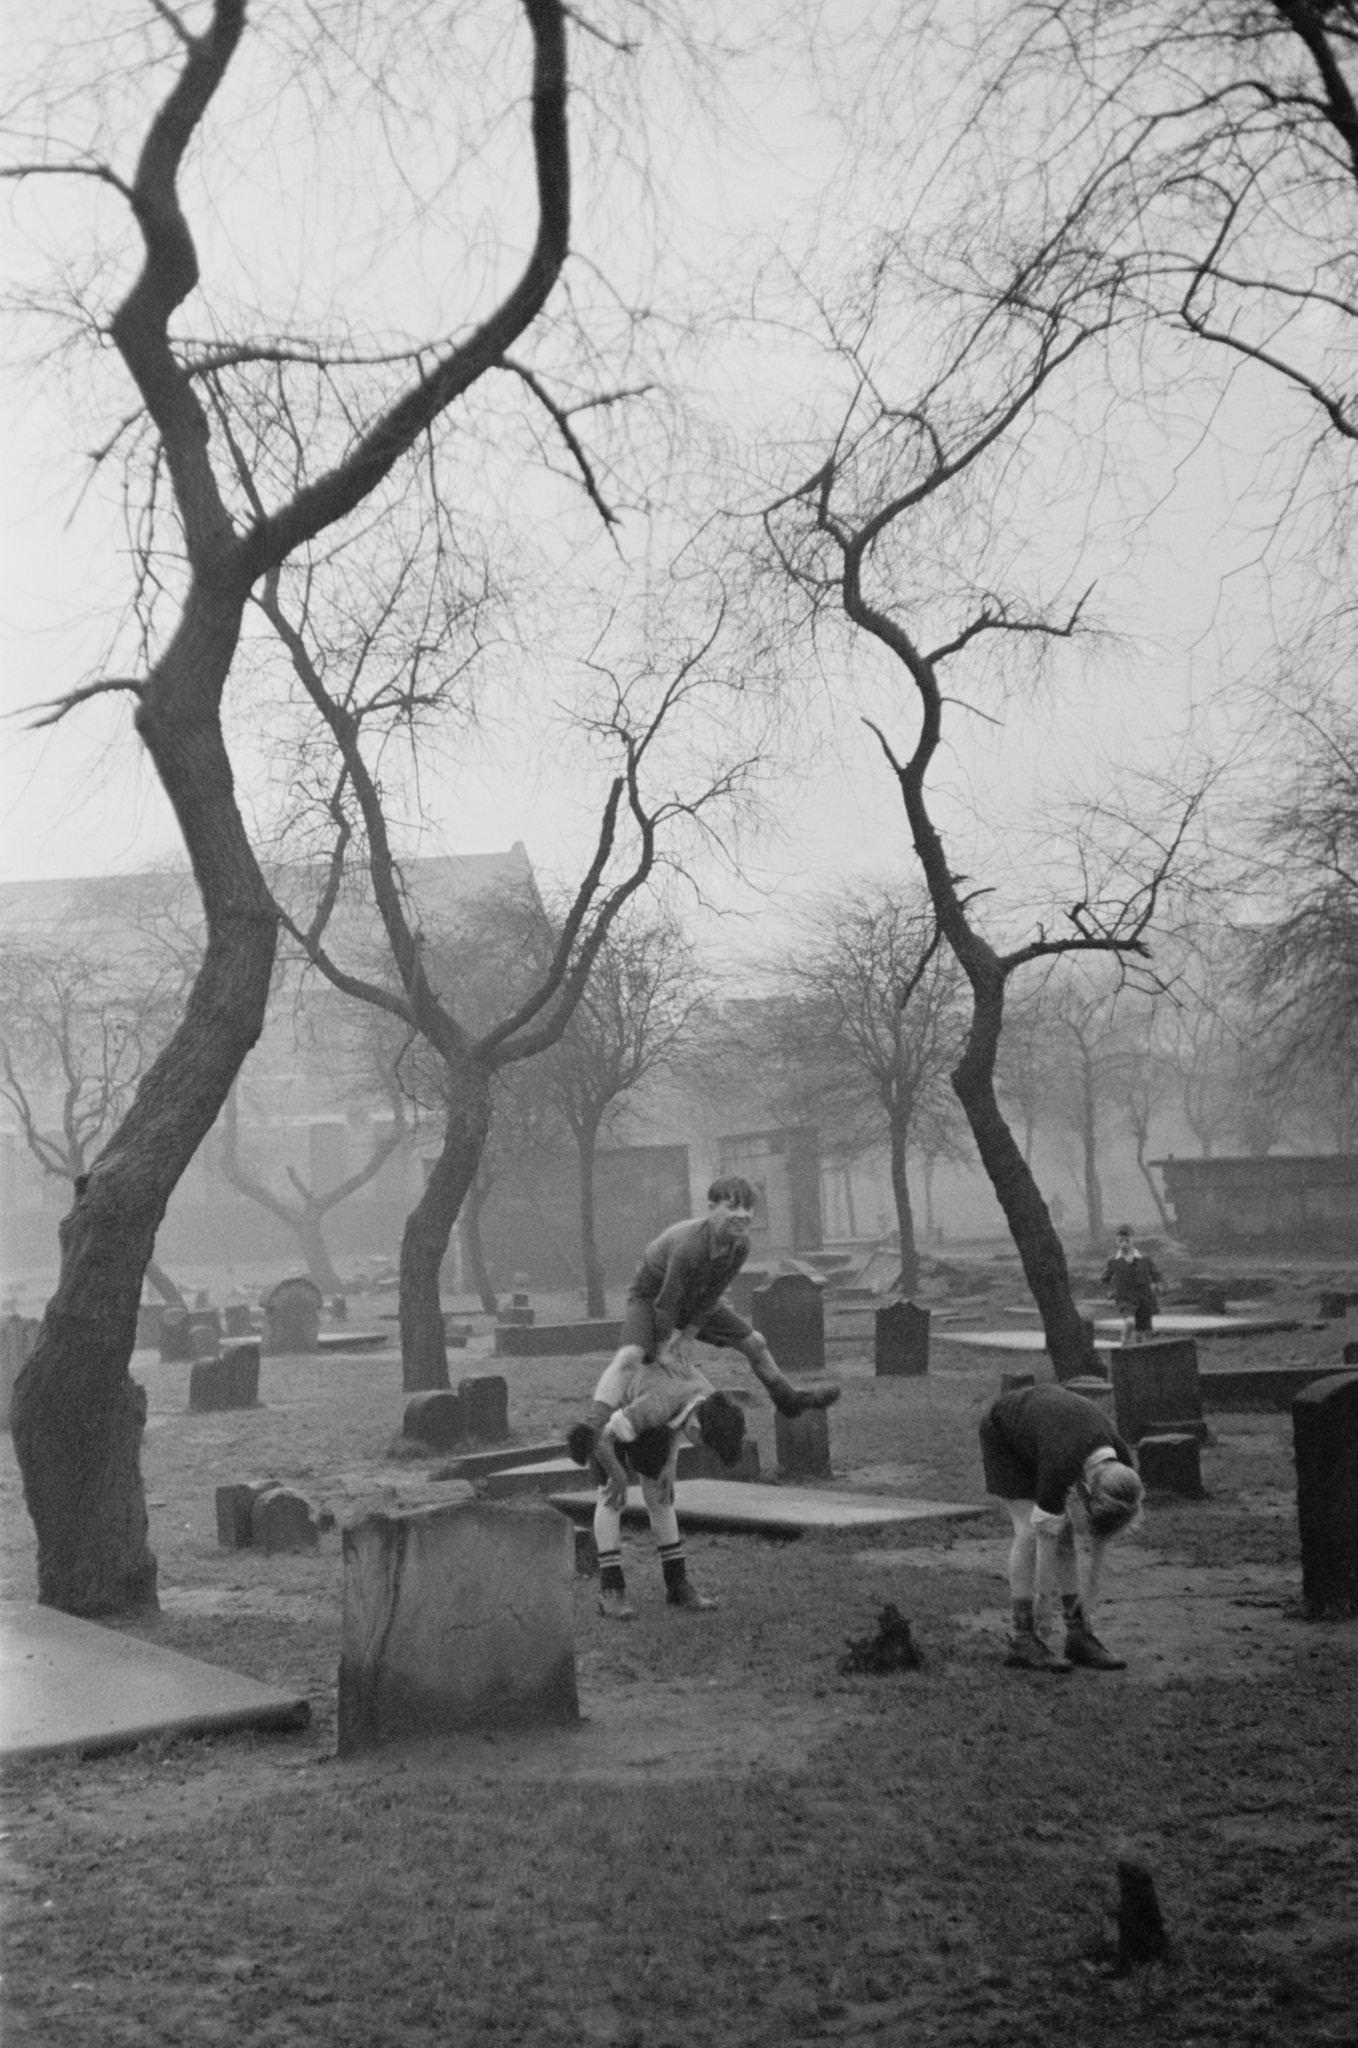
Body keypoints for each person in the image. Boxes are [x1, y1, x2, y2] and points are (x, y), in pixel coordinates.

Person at [587, 1174, 841, 1429]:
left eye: (748, 1207)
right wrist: (664, 1351)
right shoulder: (689, 1244)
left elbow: (712, 1295)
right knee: (630, 1356)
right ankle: (593, 1427)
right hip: (651, 1294)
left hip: (693, 1298)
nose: (742, 1215)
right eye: (732, 1207)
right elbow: (667, 1302)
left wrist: (687, 1337)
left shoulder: (740, 1245)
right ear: (711, 1209)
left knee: (756, 1343)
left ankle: (788, 1399)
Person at [978, 1382, 1146, 1673]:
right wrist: (1043, 1604)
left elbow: (1101, 1530)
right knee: (1030, 1531)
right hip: (1005, 1435)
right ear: (1088, 1492)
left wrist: (1092, 1587)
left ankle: (1078, 1636)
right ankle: (1023, 1638)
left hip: (1047, 1431)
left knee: (1065, 1533)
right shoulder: (1063, 1462)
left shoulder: (1121, 1466)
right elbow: (1045, 1534)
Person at [567, 1384, 747, 1619]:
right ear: (698, 1426)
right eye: (702, 1442)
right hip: (610, 1429)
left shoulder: (704, 1399)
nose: (701, 1447)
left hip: (650, 1423)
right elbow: (599, 1435)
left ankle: (677, 1584)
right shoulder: (650, 1407)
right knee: (612, 1497)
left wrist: (670, 1463)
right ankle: (611, 1591)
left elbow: (677, 1418)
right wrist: (617, 1473)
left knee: (661, 1495)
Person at [1101, 1224, 1162, 1345]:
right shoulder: (1114, 1262)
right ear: (1116, 1241)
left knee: (1142, 1332)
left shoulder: (1144, 1259)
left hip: (1144, 1297)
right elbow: (1105, 1279)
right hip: (1125, 1297)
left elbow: (1156, 1274)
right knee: (1129, 1321)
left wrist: (1157, 1285)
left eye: (1127, 1241)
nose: (1124, 1244)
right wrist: (1110, 1291)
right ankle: (1125, 1339)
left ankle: (1139, 1351)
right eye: (1120, 1241)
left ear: (1132, 1240)